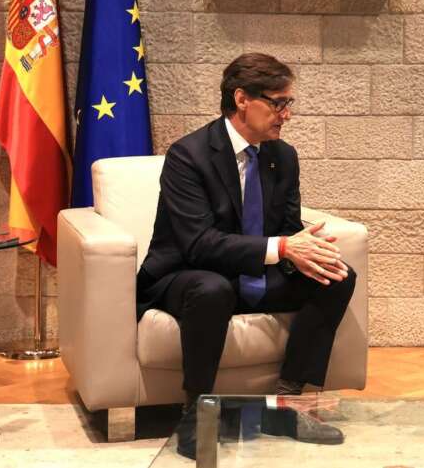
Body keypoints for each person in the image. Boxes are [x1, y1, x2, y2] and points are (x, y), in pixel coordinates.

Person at [136, 52, 356, 446]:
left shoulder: (283, 157)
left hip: (250, 274)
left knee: (337, 276)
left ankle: (285, 405)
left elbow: (286, 228)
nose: (286, 114)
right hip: (185, 274)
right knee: (212, 288)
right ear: (242, 99)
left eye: (289, 104)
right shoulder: (189, 156)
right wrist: (284, 246)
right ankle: (195, 413)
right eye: (277, 103)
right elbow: (199, 243)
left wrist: (306, 248)